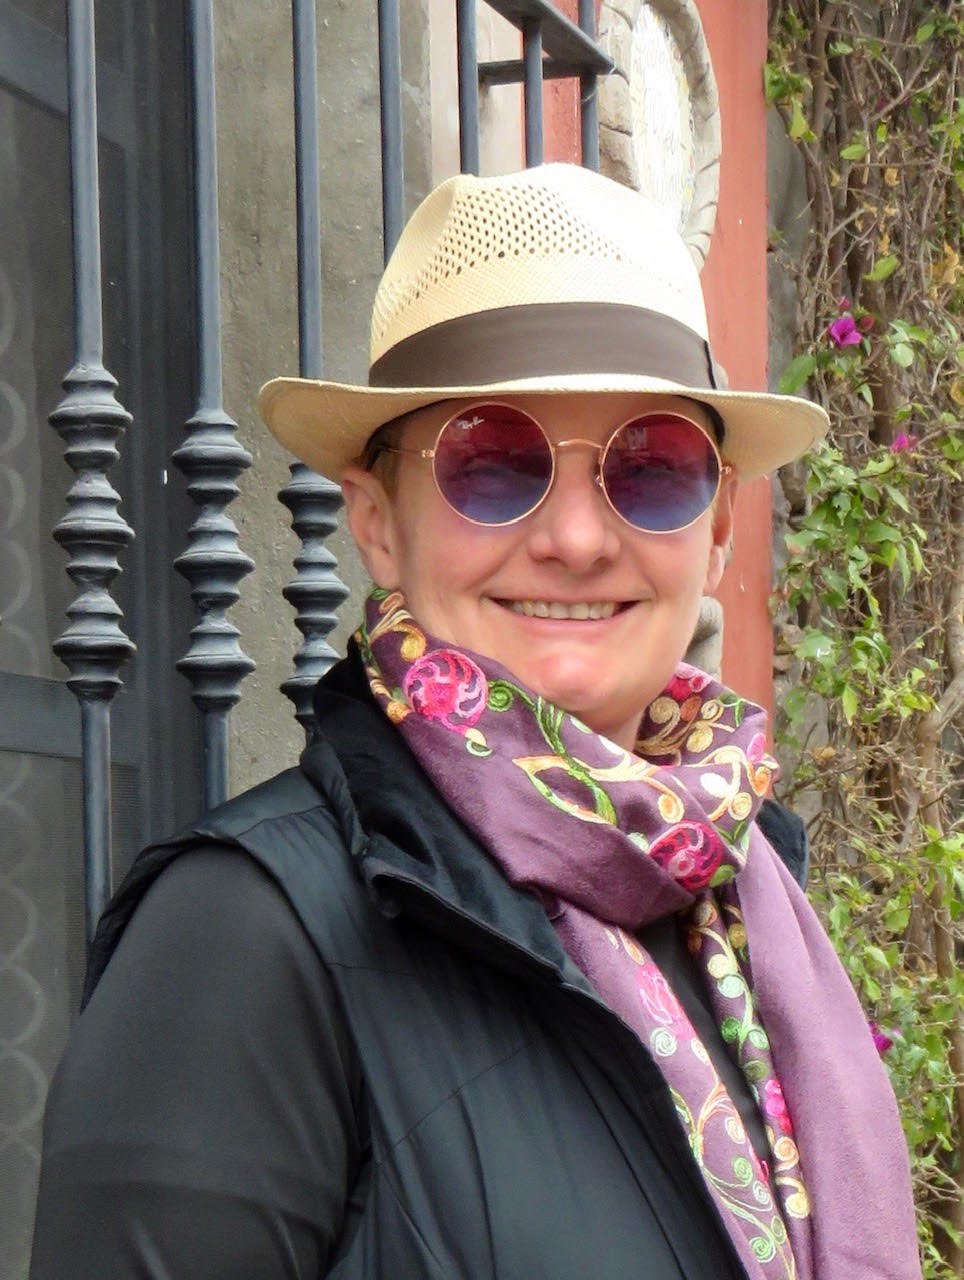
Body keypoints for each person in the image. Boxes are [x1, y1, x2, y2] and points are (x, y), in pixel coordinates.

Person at [30, 164, 920, 1280]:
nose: (578, 540)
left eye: (651, 468)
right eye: (493, 462)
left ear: (720, 530)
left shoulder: (746, 908)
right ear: (376, 522)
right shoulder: (242, 937)